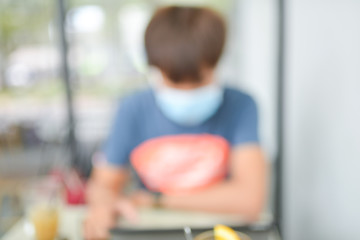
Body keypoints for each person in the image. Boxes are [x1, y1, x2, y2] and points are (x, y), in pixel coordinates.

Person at [84, 6, 267, 240]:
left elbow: (249, 200)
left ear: (216, 63)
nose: (187, 91)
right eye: (175, 80)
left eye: (198, 80)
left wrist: (156, 200)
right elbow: (102, 186)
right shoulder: (132, 109)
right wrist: (103, 206)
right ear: (156, 69)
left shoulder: (241, 105)